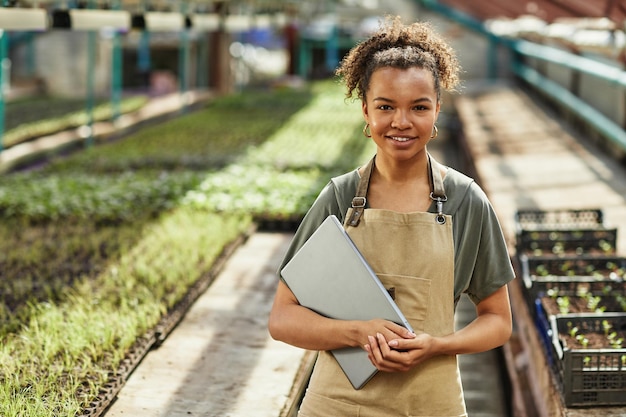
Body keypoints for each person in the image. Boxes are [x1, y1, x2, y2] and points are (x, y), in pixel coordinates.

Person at [268, 15, 514, 417]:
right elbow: (283, 317)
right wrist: (355, 332)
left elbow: (498, 321)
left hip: (430, 402)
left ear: (437, 110)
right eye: (386, 107)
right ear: (365, 110)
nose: (401, 122)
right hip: (337, 404)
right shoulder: (340, 197)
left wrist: (438, 344)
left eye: (418, 107)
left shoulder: (465, 201)